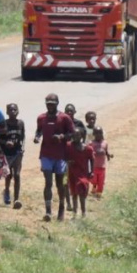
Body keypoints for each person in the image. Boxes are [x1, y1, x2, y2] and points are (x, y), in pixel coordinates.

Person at [33, 93, 75, 222]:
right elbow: (39, 130)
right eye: (48, 104)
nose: (50, 106)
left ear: (57, 103)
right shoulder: (41, 118)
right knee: (48, 182)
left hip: (60, 155)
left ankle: (61, 209)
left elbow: (72, 134)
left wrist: (61, 137)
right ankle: (48, 211)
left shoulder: (64, 118)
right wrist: (37, 137)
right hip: (46, 154)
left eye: (52, 104)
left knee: (60, 184)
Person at [65, 127, 95, 219]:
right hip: (72, 173)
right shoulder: (68, 146)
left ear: (82, 136)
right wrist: (67, 161)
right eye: (74, 135)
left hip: (83, 173)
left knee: (82, 190)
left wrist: (91, 171)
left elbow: (92, 159)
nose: (75, 136)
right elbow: (63, 157)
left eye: (77, 135)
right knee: (74, 193)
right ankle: (74, 213)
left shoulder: (88, 149)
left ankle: (83, 212)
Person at [1, 103, 25, 209]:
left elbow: (23, 137)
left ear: (18, 111)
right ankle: (6, 191)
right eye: (10, 110)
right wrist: (6, 142)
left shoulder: (20, 123)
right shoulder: (3, 124)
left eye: (15, 109)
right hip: (6, 153)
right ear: (7, 112)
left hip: (17, 152)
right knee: (8, 175)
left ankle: (16, 199)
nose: (13, 111)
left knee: (17, 175)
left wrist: (22, 147)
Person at [63, 103, 86, 212]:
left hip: (77, 157)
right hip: (64, 156)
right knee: (65, 181)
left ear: (75, 112)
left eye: (71, 111)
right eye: (67, 111)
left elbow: (84, 138)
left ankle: (77, 203)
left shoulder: (79, 124)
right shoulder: (62, 123)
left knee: (77, 181)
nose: (69, 113)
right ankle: (68, 203)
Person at [90, 126, 112, 199]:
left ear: (102, 133)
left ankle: (99, 193)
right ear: (94, 134)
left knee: (101, 181)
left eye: (100, 133)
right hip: (94, 166)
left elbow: (106, 151)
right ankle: (94, 186)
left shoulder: (105, 143)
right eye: (96, 133)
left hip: (102, 166)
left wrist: (109, 155)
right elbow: (88, 152)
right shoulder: (91, 143)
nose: (98, 135)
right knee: (94, 180)